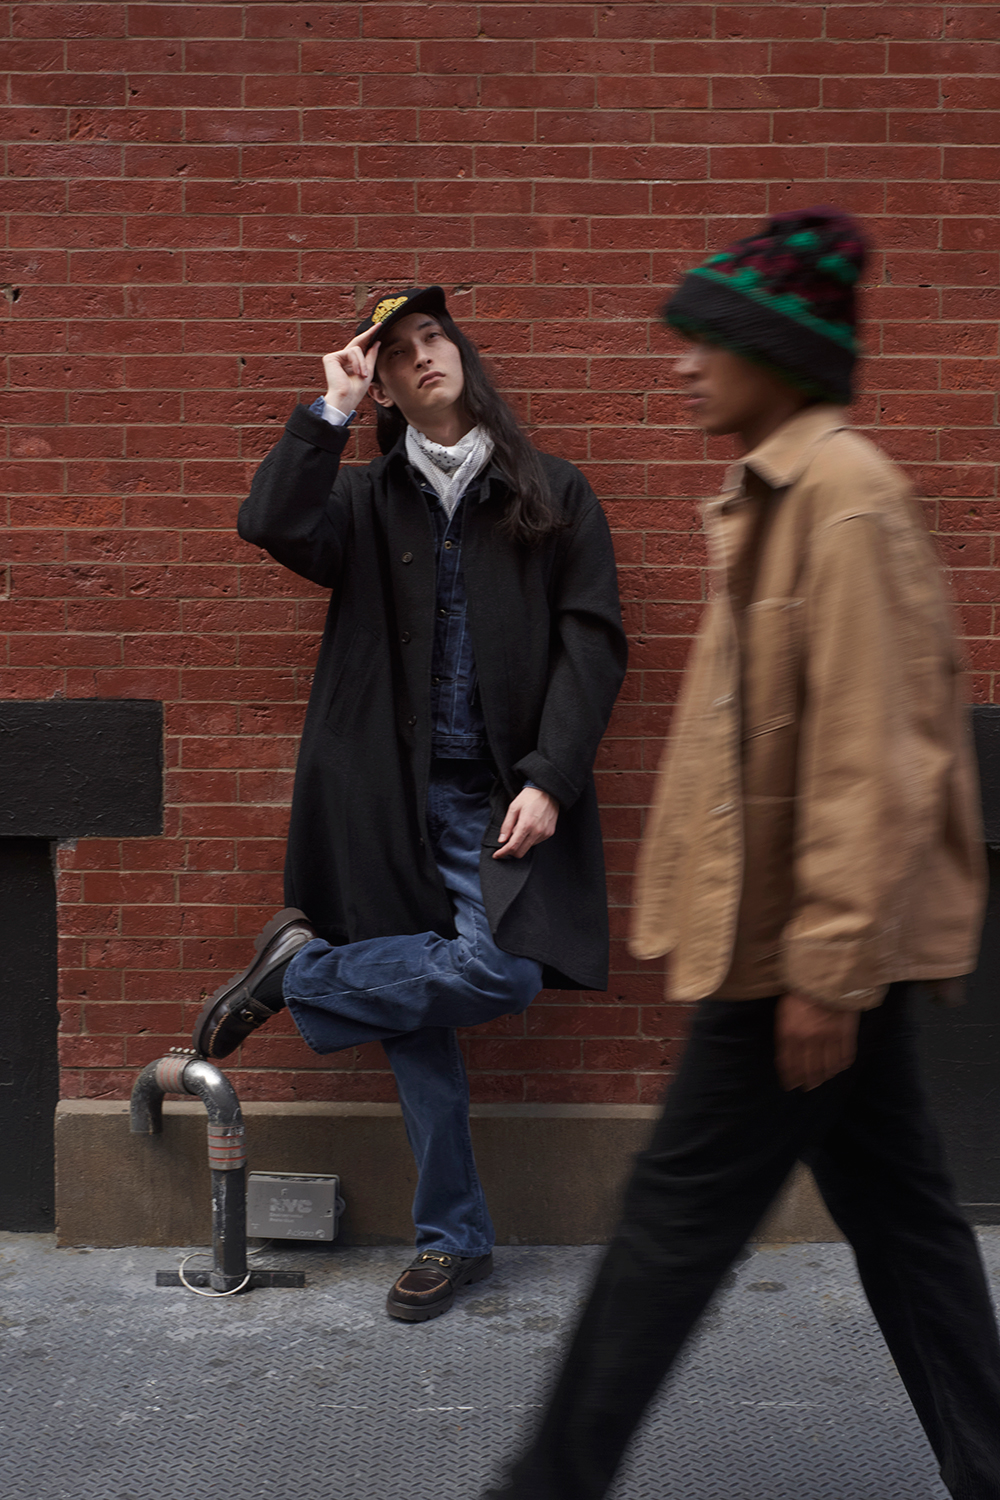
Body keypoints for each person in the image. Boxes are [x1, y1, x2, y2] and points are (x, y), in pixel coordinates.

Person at [486, 209, 1000, 1498]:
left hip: (790, 958)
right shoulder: (782, 496)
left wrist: (825, 967)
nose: (682, 362)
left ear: (778, 355)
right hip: (796, 945)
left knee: (670, 1227)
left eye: (707, 339)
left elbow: (877, 758)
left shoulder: (843, 501)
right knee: (906, 1227)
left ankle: (548, 1483)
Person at [192, 286, 627, 1323]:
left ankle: (304, 975)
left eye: (435, 337)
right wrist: (329, 411)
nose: (424, 354)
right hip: (383, 799)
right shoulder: (362, 499)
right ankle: (452, 1240)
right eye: (398, 351)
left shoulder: (549, 490)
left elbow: (593, 640)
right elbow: (268, 521)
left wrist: (551, 776)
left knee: (500, 972)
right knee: (417, 1023)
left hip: (494, 797)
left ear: (461, 355)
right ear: (383, 384)